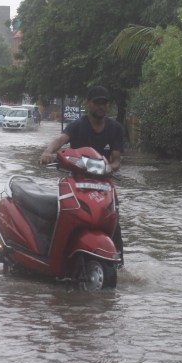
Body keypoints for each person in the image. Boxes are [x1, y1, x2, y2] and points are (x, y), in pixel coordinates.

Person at [40, 85, 125, 263]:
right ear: (88, 104)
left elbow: (116, 160)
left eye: (104, 103)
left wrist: (111, 167)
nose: (100, 107)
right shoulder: (77, 126)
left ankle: (119, 264)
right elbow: (60, 140)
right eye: (97, 103)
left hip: (104, 185)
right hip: (77, 184)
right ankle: (56, 256)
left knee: (114, 223)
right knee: (63, 216)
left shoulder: (115, 128)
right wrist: (48, 152)